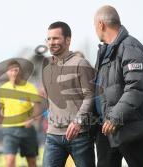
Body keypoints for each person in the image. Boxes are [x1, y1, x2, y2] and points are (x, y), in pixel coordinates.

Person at [93, 5, 143, 167]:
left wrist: (115, 117)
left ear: (101, 24)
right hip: (106, 132)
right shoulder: (104, 52)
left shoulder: (129, 47)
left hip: (129, 128)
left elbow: (135, 88)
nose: (95, 30)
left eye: (95, 26)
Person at [42, 21, 96, 167]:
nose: (51, 42)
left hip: (80, 135)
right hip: (53, 135)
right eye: (49, 39)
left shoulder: (81, 64)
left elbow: (90, 96)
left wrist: (78, 121)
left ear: (68, 40)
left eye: (55, 38)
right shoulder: (46, 70)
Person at [0, 60, 41, 167]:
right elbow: (1, 106)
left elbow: (37, 106)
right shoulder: (3, 89)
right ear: (7, 72)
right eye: (11, 71)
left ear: (20, 71)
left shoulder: (29, 87)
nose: (14, 73)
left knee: (31, 162)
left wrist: (32, 118)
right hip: (9, 129)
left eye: (16, 70)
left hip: (26, 129)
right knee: (10, 162)